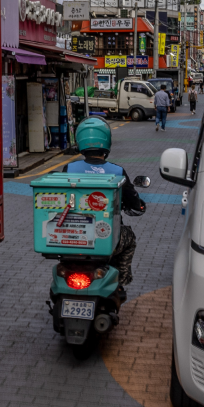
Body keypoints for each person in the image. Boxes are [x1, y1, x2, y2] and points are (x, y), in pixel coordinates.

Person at [59, 118, 145, 289]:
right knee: (130, 239)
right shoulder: (117, 171)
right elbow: (133, 202)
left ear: (80, 141)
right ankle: (120, 282)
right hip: (106, 237)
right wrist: (138, 205)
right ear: (107, 141)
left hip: (74, 235)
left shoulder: (69, 169)